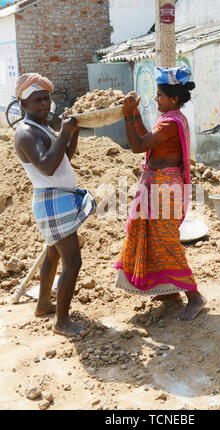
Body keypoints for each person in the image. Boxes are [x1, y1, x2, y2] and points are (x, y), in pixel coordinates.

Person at [114, 66, 207, 321]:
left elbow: (137, 145)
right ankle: (170, 291)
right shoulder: (171, 117)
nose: (156, 99)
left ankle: (195, 297)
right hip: (158, 185)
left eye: (159, 96)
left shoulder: (170, 121)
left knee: (166, 240)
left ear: (174, 98)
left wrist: (126, 116)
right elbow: (146, 137)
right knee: (155, 236)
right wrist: (134, 114)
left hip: (165, 187)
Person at [14, 73, 96, 337]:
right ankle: (61, 321)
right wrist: (64, 132)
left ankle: (43, 304)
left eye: (46, 98)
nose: (44, 104)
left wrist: (73, 134)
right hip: (52, 198)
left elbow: (63, 158)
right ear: (23, 104)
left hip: (55, 198)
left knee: (52, 254)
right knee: (73, 262)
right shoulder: (25, 133)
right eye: (36, 100)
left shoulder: (41, 127)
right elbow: (48, 167)